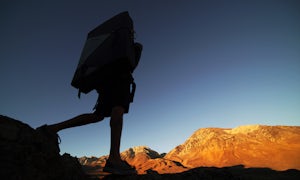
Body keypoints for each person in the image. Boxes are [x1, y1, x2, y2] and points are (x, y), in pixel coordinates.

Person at [37, 42, 142, 175]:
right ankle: (114, 159)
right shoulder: (126, 44)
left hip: (106, 84)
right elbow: (135, 56)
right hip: (121, 80)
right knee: (117, 111)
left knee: (97, 116)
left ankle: (53, 128)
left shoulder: (106, 47)